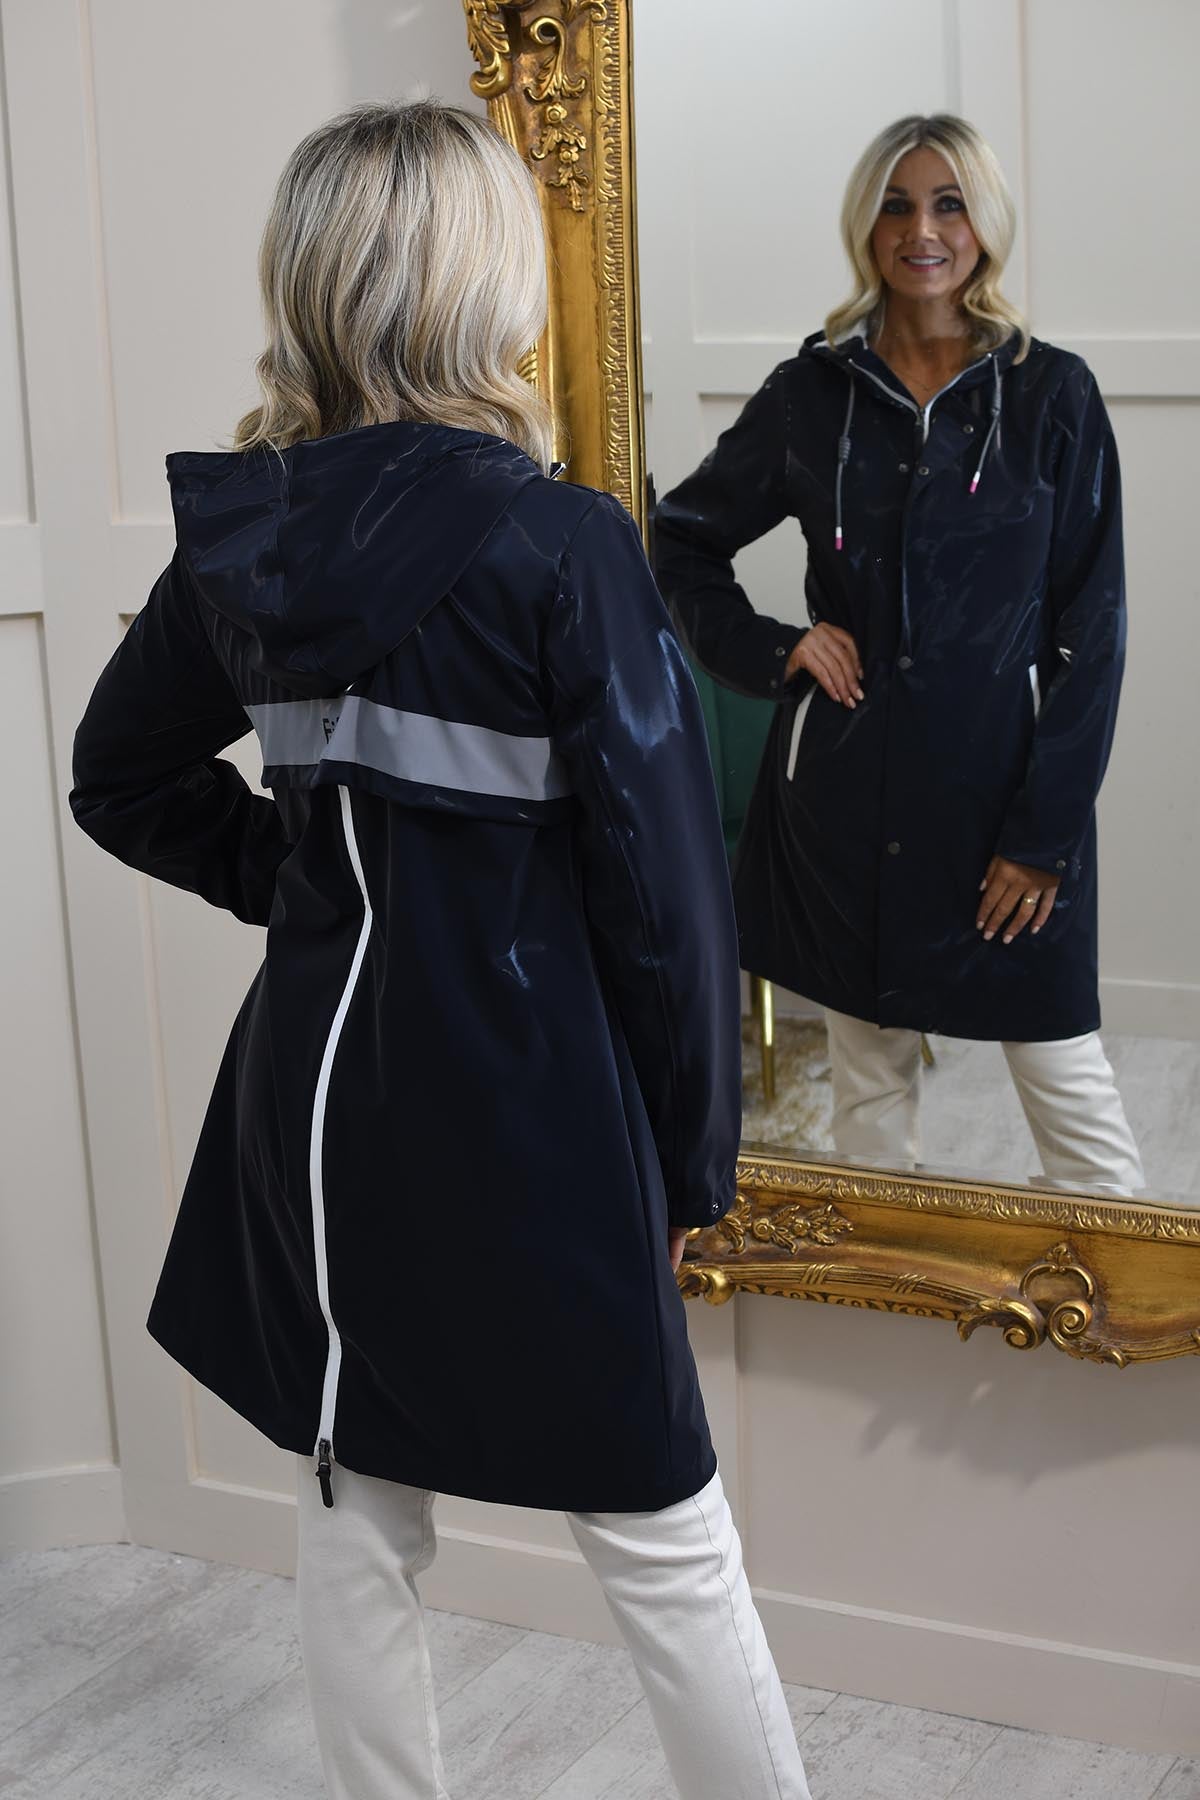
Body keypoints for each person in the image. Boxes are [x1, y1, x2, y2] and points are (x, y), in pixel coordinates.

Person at [70, 102, 812, 1800]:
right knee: (670, 1543)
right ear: (487, 287)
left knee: (356, 1509)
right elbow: (667, 901)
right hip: (536, 1123)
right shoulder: (565, 544)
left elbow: (120, 777)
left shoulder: (244, 538)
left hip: (326, 1123)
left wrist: (306, 885)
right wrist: (696, 1163)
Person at [654, 113, 1143, 1194]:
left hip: (1002, 805)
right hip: (847, 807)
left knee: (1075, 1109)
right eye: (897, 205)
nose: (923, 230)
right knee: (869, 1097)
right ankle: (883, 1299)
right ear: (865, 226)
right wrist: (780, 647)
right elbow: (678, 541)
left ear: (985, 224)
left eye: (949, 204)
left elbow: (1093, 633)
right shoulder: (810, 396)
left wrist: (1044, 839)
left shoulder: (1051, 395)